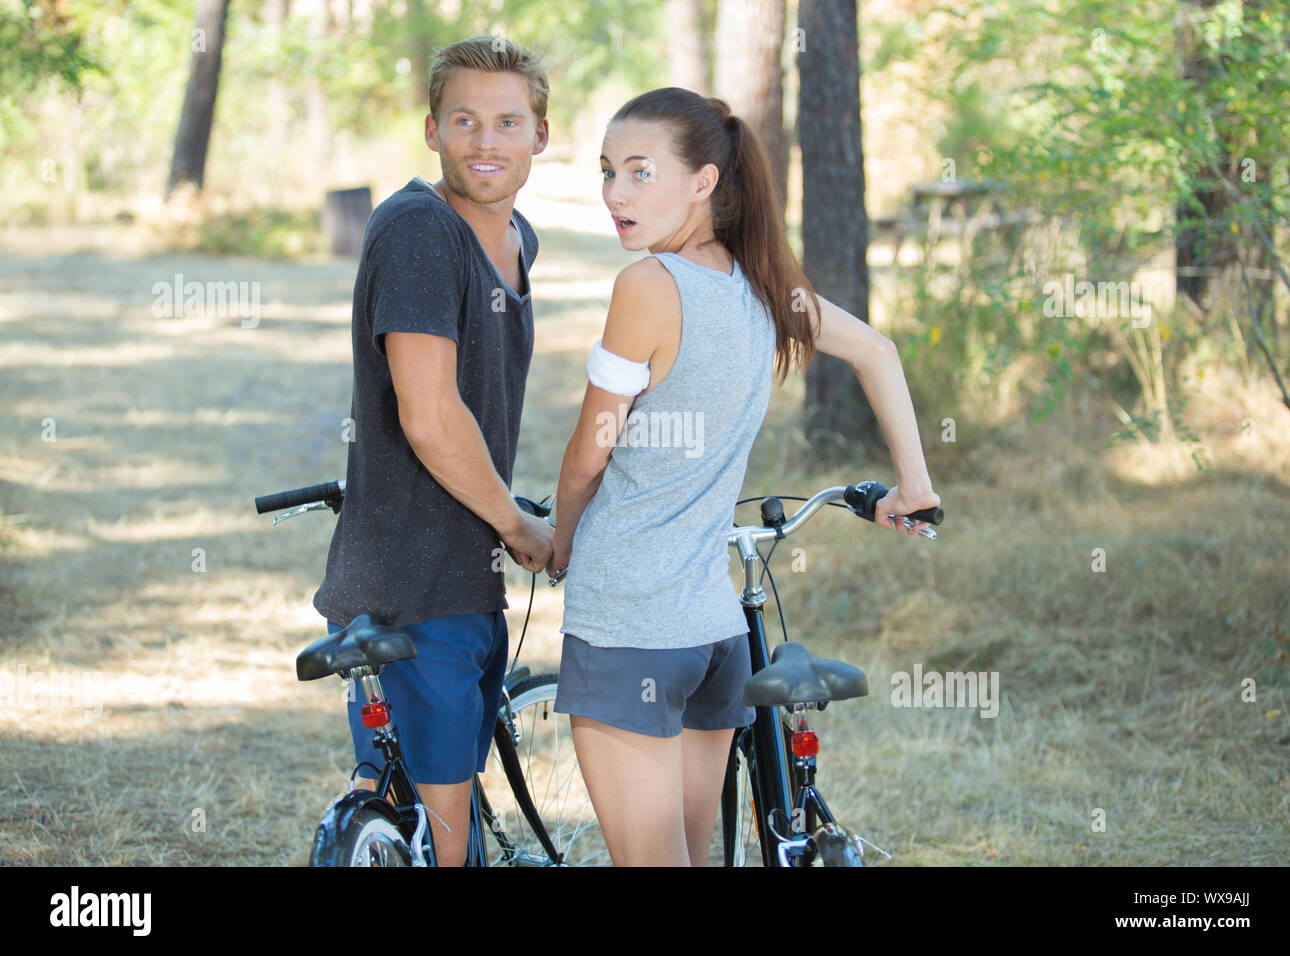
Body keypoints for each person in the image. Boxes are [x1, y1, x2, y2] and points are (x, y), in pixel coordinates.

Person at [547, 87, 941, 866]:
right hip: (714, 634)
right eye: (605, 172)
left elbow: (591, 448)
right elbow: (878, 351)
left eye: (639, 172)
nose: (615, 194)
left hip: (630, 623)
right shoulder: (763, 285)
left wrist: (559, 542)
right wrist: (913, 486)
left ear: (703, 181)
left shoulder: (649, 287)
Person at [311, 36, 554, 867]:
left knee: (432, 825)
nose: (486, 141)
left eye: (507, 121)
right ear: (432, 130)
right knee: (446, 847)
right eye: (465, 120)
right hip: (413, 581)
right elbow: (430, 416)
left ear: (540, 136)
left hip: (466, 571)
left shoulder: (519, 236)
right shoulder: (418, 229)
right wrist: (518, 523)